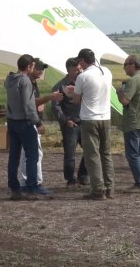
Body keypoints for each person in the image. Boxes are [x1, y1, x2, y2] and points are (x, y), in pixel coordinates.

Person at [73, 48, 114, 200]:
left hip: (89, 118)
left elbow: (76, 100)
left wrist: (73, 92)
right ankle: (110, 187)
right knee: (106, 153)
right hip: (106, 117)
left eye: (79, 62)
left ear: (83, 60)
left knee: (92, 155)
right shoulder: (106, 71)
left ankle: (97, 189)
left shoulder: (83, 76)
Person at [5, 54, 45, 200]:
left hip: (12, 121)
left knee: (14, 156)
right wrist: (38, 123)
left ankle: (14, 188)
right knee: (32, 156)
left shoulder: (9, 79)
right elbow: (29, 106)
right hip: (24, 122)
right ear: (29, 67)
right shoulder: (25, 81)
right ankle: (32, 187)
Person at [18, 58, 62, 191]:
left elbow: (32, 102)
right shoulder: (28, 83)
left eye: (42, 68)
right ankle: (33, 182)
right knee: (33, 153)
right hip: (30, 122)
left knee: (30, 153)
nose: (41, 71)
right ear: (31, 68)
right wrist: (49, 97)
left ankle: (27, 181)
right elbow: (30, 102)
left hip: (30, 121)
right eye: (38, 68)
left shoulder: (32, 82)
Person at [117, 55, 140, 193]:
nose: (124, 68)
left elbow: (125, 101)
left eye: (125, 65)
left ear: (132, 65)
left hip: (134, 121)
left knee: (132, 154)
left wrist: (120, 92)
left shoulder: (133, 81)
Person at [51, 58, 88, 187]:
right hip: (70, 124)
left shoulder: (84, 83)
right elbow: (56, 106)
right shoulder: (60, 86)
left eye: (80, 69)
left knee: (89, 149)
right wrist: (65, 120)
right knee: (70, 154)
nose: (79, 71)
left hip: (84, 122)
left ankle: (83, 175)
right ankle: (70, 179)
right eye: (75, 69)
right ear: (68, 70)